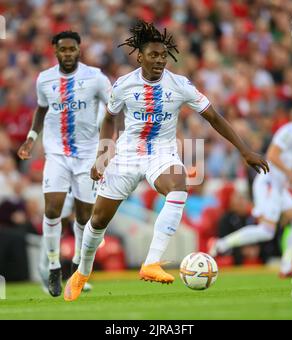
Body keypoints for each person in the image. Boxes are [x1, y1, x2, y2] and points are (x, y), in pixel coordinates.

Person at [64, 21, 269, 302]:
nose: (160, 60)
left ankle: (151, 263)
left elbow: (214, 117)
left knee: (179, 186)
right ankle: (82, 273)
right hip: (126, 154)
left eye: (163, 56)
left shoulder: (180, 85)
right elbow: (110, 118)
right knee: (98, 220)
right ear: (140, 57)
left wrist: (244, 150)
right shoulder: (123, 85)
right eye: (153, 55)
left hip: (161, 152)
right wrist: (102, 155)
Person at [18, 31, 111, 297]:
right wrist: (30, 139)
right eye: (63, 49)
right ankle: (54, 266)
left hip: (87, 155)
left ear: (79, 50)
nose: (68, 54)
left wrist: (109, 143)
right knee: (52, 209)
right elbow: (41, 109)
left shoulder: (95, 78)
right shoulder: (45, 79)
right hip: (57, 153)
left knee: (84, 217)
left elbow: (113, 107)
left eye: (72, 49)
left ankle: (77, 267)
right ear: (55, 51)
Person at [209, 105, 292, 278]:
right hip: (269, 182)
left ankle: (287, 266)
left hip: (279, 185)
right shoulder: (288, 131)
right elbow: (272, 156)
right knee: (266, 231)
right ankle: (221, 244)